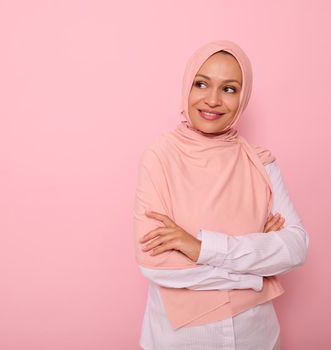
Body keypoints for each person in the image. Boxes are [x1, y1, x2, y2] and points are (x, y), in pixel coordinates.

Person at [132, 40, 309, 349]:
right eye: (201, 84)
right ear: (187, 87)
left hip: (259, 336)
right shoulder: (159, 157)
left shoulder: (261, 162)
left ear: (243, 97)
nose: (213, 100)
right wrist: (256, 275)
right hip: (180, 340)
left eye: (229, 89)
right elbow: (155, 264)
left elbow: (296, 248)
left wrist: (199, 247)